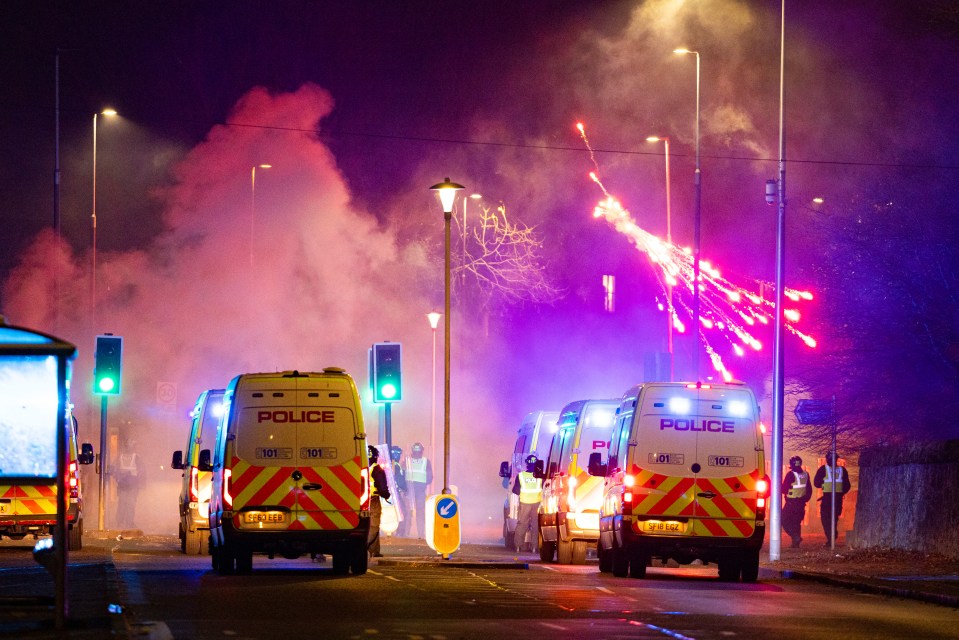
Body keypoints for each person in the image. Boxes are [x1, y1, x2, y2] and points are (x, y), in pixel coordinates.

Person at [814, 452, 851, 547]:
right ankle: (832, 537)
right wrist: (840, 493)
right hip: (838, 499)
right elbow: (847, 486)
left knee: (825, 519)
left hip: (827, 498)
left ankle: (831, 538)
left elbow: (816, 483)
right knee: (834, 518)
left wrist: (824, 483)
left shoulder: (823, 469)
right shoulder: (842, 470)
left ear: (827, 459)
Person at [512, 454, 543, 553]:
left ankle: (518, 546)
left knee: (522, 524)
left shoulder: (521, 475)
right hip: (537, 504)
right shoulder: (541, 476)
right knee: (535, 525)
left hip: (524, 503)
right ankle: (534, 547)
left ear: (526, 463)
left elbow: (515, 491)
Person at [781, 455, 812, 548]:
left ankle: (795, 537)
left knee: (783, 520)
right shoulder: (806, 474)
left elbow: (783, 489)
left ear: (792, 464)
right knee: (796, 523)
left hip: (791, 503)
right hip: (801, 503)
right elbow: (809, 489)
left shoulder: (790, 474)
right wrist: (804, 500)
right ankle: (795, 544)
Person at [404, 442, 433, 538]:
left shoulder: (408, 461)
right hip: (414, 490)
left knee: (410, 512)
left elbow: (429, 477)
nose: (417, 453)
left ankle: (407, 533)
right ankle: (419, 534)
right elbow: (429, 477)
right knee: (415, 513)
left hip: (412, 490)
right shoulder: (408, 461)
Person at [367, 445, 390, 558]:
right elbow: (382, 487)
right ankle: (367, 547)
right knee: (374, 526)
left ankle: (374, 551)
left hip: (358, 502)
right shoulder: (377, 469)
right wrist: (386, 495)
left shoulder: (358, 467)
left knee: (364, 526)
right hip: (373, 500)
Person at [115, 434, 140, 531]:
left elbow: (115, 470)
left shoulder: (121, 457)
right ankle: (124, 523)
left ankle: (124, 523)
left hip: (127, 485)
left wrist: (118, 478)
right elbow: (141, 472)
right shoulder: (135, 457)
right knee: (126, 504)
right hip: (127, 485)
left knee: (126, 504)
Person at [389, 446, 410, 537]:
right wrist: (405, 489)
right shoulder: (396, 465)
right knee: (402, 512)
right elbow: (399, 480)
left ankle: (398, 531)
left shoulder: (393, 465)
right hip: (396, 493)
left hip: (393, 492)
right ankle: (400, 532)